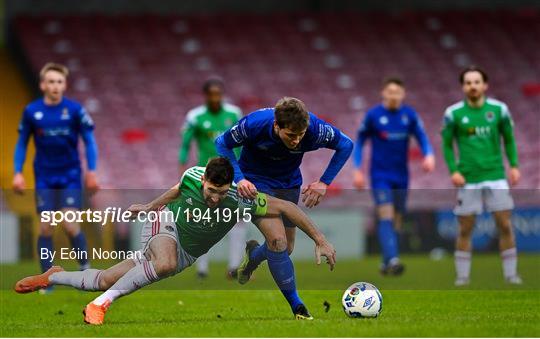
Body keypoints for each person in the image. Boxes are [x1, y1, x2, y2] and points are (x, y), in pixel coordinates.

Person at [15, 157, 336, 324]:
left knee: (104, 279)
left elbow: (289, 208)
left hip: (188, 252)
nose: (213, 199)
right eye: (211, 191)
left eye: (220, 194)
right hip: (164, 223)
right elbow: (176, 191)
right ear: (205, 180)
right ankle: (99, 307)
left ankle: (55, 275)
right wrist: (149, 207)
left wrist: (320, 239)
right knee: (163, 263)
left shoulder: (244, 196)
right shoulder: (194, 176)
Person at [215, 97, 352, 316]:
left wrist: (324, 182)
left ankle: (253, 257)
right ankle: (298, 307)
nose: (297, 141)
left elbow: (346, 145)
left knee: (286, 248)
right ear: (276, 126)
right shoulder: (255, 124)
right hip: (254, 184)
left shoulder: (315, 129)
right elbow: (222, 142)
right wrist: (239, 179)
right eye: (291, 135)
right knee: (277, 241)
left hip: (289, 184)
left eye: (301, 135)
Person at [12, 62, 99, 288]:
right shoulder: (32, 112)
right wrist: (17, 173)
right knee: (45, 226)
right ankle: (46, 280)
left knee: (70, 225)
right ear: (43, 85)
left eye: (59, 82)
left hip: (70, 173)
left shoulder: (75, 110)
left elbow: (89, 141)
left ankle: (85, 270)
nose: (55, 86)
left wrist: (91, 171)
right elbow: (22, 143)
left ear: (65, 85)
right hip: (44, 176)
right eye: (51, 81)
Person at [441, 66, 522, 286]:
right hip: (468, 178)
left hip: (495, 175)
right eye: (468, 82)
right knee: (466, 228)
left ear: (484, 85)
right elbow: (447, 145)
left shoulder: (499, 110)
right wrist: (454, 171)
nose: (473, 86)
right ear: (463, 87)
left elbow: (509, 139)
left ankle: (511, 275)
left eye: (476, 82)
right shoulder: (453, 113)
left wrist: (513, 165)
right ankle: (463, 277)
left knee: (504, 225)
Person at [352, 77, 435, 275]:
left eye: (397, 92)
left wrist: (429, 155)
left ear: (403, 94)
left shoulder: (409, 115)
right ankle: (393, 259)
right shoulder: (373, 115)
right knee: (386, 215)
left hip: (401, 176)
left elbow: (422, 137)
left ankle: (386, 260)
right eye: (390, 92)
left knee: (397, 218)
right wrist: (357, 169)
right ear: (383, 93)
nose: (394, 96)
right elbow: (360, 141)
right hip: (380, 175)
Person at [178, 77, 245, 279]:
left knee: (239, 219)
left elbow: (243, 142)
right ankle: (202, 268)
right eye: (212, 94)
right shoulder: (195, 116)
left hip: (232, 174)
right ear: (206, 96)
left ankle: (234, 267)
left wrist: (243, 172)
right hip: (205, 176)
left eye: (218, 94)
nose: (215, 98)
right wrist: (181, 168)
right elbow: (185, 143)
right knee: (200, 219)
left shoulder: (234, 114)